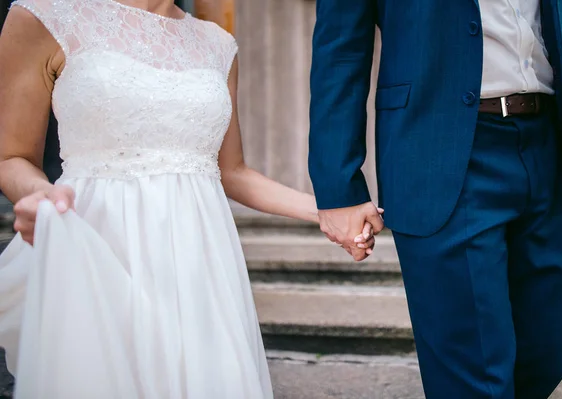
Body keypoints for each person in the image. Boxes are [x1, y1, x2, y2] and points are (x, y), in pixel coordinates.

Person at [0, 0, 379, 397]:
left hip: (199, 261)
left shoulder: (218, 44)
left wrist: (330, 211)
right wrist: (41, 195)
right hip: (97, 244)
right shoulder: (43, 17)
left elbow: (232, 172)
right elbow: (12, 157)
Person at [309, 1, 562, 398]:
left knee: (543, 361)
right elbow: (341, 48)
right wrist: (337, 186)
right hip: (440, 153)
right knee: (471, 380)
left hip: (549, 146)